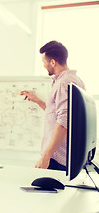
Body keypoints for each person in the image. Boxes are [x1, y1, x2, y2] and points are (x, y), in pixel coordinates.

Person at [22, 41, 85, 171]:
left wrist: (46, 156)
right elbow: (60, 115)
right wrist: (38, 101)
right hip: (64, 156)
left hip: (57, 158)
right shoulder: (75, 80)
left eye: (44, 62)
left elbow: (64, 122)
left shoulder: (63, 83)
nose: (44, 65)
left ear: (52, 62)